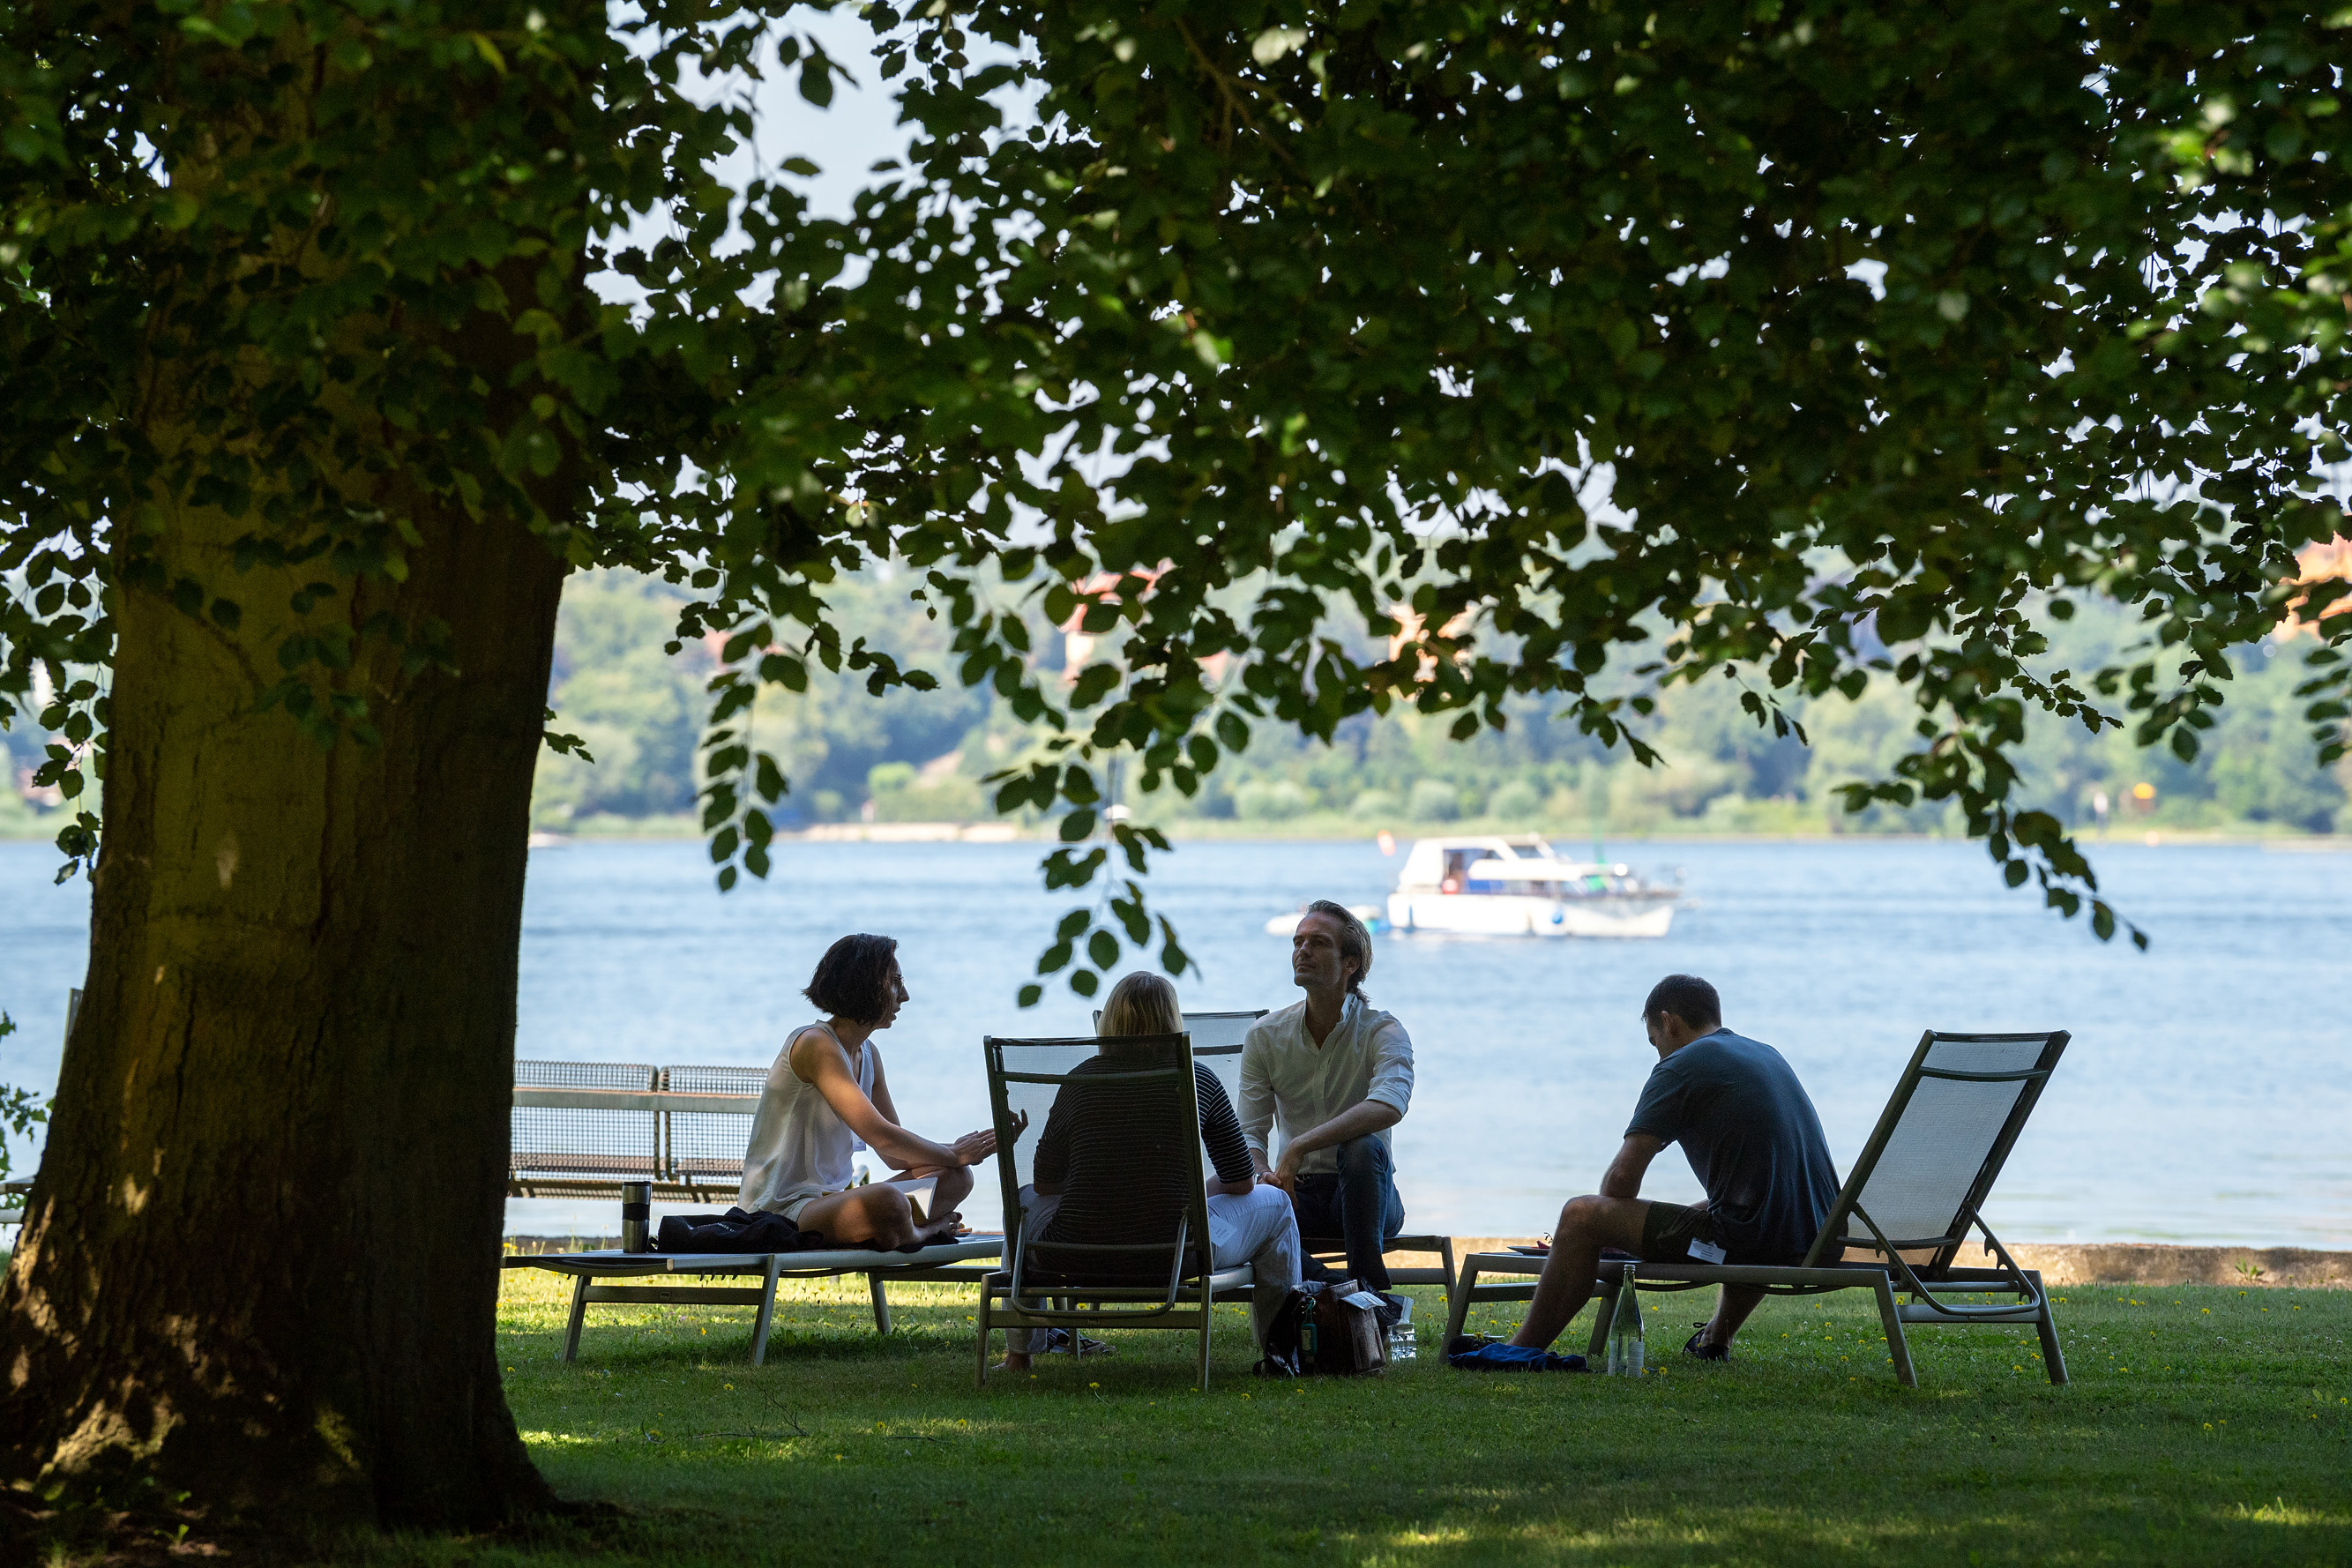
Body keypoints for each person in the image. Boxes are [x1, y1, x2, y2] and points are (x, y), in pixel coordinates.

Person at [1464, 973, 1841, 1370]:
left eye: (1654, 1041)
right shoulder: (1765, 1053)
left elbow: (1620, 1185)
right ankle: (1715, 1338)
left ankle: (1520, 1350)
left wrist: (1611, 1223)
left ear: (1668, 1022)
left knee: (1581, 1216)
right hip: (1818, 1236)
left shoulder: (1680, 1065)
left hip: (1751, 1239)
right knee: (1713, 1212)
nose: (1658, 1053)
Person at [1000, 971, 1303, 1373]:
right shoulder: (1198, 1079)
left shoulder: (1079, 1080)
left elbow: (1044, 1183)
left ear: (1109, 1021)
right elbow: (1241, 1180)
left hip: (1072, 1251)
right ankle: (1282, 1353)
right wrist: (1193, 1192)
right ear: (1172, 1019)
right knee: (1277, 1204)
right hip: (1179, 1253)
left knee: (1018, 1203)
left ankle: (1021, 1353)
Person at [738, 933, 997, 1248]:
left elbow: (892, 1155)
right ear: (867, 984)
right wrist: (954, 1153)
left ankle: (889, 1229)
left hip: (831, 1206)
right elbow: (881, 1135)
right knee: (888, 1200)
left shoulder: (868, 1054)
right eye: (896, 982)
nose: (905, 996)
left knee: (957, 1177)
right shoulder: (816, 1044)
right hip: (781, 1213)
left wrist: (963, 1153)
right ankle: (924, 1230)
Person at [1238, 900, 1415, 1308]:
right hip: (1296, 1195)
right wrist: (1266, 1176)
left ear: (1350, 963)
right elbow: (1250, 1133)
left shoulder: (1383, 1031)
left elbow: (1390, 1105)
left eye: (1318, 943)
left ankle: (1365, 1285)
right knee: (1253, 1214)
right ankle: (1360, 1299)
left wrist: (1300, 1146)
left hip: (1367, 1194)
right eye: (1298, 942)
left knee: (1362, 1147)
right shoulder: (1265, 1036)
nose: (1302, 950)